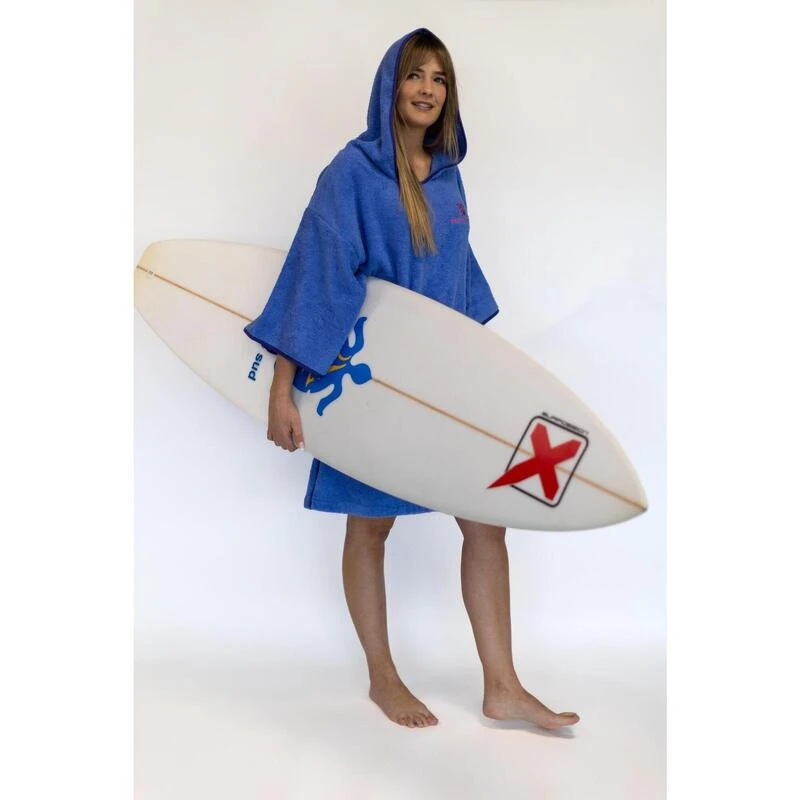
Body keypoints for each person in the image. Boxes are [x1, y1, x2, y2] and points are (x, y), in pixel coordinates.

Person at [244, 28, 579, 730]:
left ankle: (503, 686)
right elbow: (316, 274)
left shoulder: (449, 177)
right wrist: (283, 387)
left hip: (445, 382)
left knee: (487, 522)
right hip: (373, 383)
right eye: (415, 74)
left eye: (440, 78)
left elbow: (457, 283)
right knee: (372, 528)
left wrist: (487, 379)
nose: (428, 89)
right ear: (389, 85)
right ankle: (383, 677)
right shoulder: (352, 173)